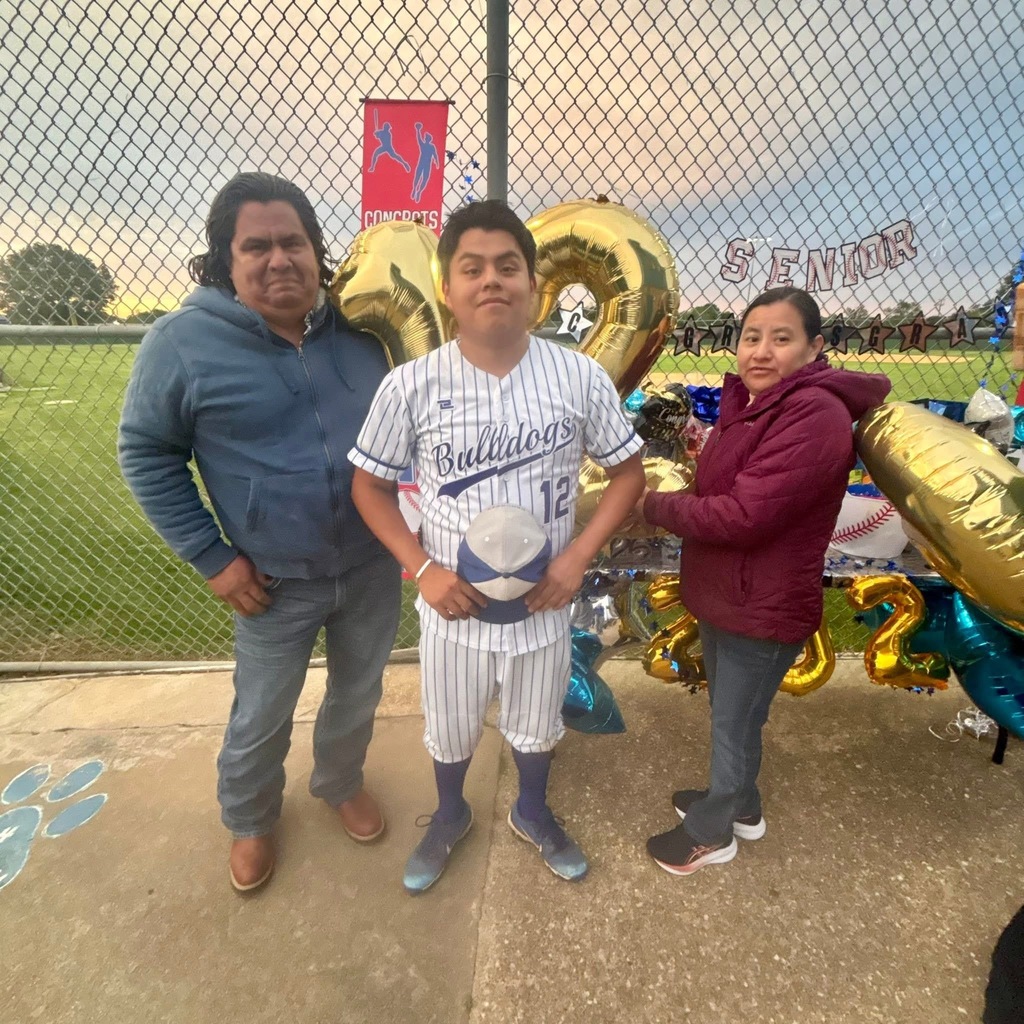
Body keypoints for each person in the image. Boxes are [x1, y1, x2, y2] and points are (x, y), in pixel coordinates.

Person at [349, 199, 646, 893]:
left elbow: (628, 474)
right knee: (450, 726)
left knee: (536, 723)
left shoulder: (575, 377)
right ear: (448, 290)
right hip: (454, 605)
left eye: (509, 267)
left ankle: (533, 809)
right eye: (472, 268)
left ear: (534, 285)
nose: (492, 281)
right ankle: (450, 814)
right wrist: (421, 568)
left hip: (543, 601)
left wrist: (577, 558)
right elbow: (368, 487)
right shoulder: (412, 384)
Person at [118, 172, 400, 892]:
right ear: (225, 260)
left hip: (371, 563)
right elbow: (146, 452)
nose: (280, 260)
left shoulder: (364, 332)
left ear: (316, 249)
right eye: (258, 247)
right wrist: (214, 558)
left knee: (358, 692)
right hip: (272, 581)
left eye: (294, 242)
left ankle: (339, 781)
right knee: (263, 712)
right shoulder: (181, 344)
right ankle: (248, 817)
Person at [635, 286, 891, 875]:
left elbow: (744, 515)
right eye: (752, 337)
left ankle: (712, 832)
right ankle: (742, 805)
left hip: (763, 605)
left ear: (814, 348)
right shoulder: (756, 406)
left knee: (733, 722)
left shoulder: (815, 415)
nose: (761, 351)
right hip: (736, 596)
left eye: (782, 338)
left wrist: (655, 506)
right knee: (736, 714)